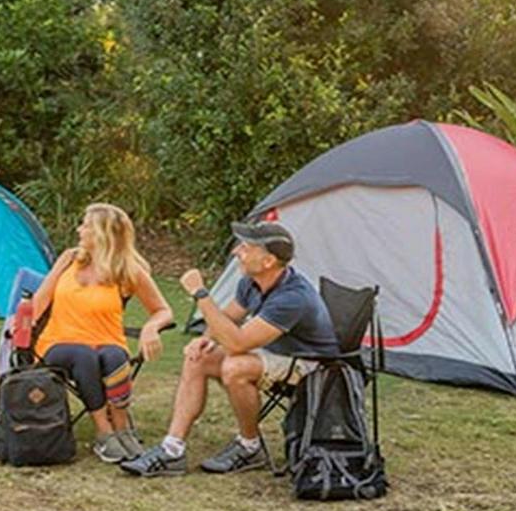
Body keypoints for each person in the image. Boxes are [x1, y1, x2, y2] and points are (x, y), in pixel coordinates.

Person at [121, 219, 338, 477]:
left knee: (235, 367)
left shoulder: (292, 297)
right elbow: (229, 317)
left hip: (312, 365)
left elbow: (237, 343)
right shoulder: (252, 282)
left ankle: (250, 446)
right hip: (276, 352)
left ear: (268, 261)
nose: (237, 252)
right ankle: (172, 449)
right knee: (198, 357)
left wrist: (200, 294)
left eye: (246, 248)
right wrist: (207, 339)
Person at [31, 203, 173, 463]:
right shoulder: (69, 261)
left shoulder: (127, 271)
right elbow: (38, 305)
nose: (79, 229)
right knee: (85, 355)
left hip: (106, 341)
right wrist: (56, 270)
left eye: (85, 225)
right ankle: (104, 433)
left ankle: (122, 428)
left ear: (102, 233)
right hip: (57, 343)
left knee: (113, 355)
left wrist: (151, 327)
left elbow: (163, 310)